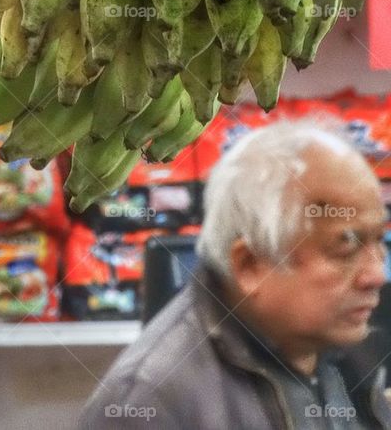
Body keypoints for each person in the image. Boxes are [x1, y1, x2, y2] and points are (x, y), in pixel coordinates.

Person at [78, 121, 391, 429]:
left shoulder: (349, 345)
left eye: (380, 240)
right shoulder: (149, 403)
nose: (376, 275)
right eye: (346, 246)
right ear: (250, 265)